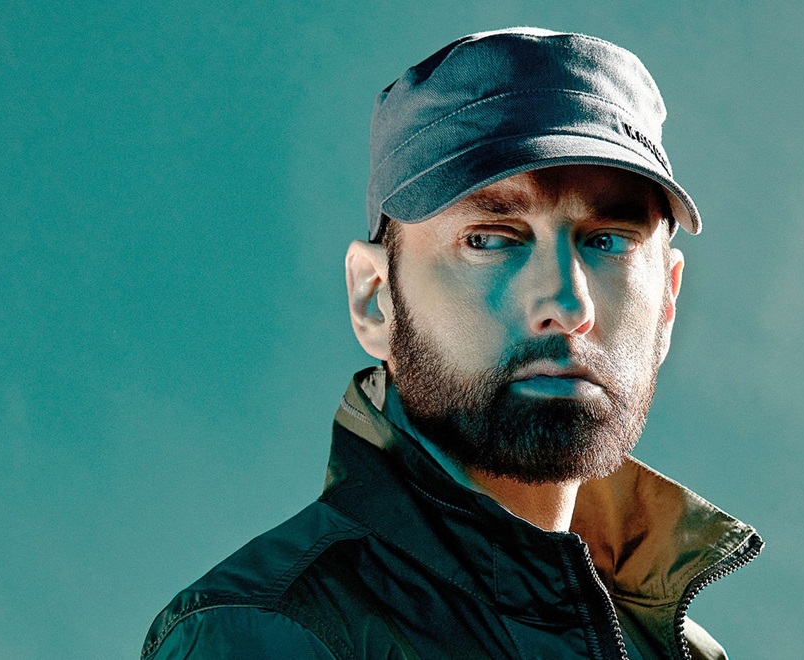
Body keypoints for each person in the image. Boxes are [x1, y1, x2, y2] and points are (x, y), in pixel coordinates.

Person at [142, 27, 762, 659]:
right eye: (490, 239)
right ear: (376, 298)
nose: (568, 305)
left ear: (667, 304)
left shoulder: (684, 653)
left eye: (609, 242)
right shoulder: (267, 634)